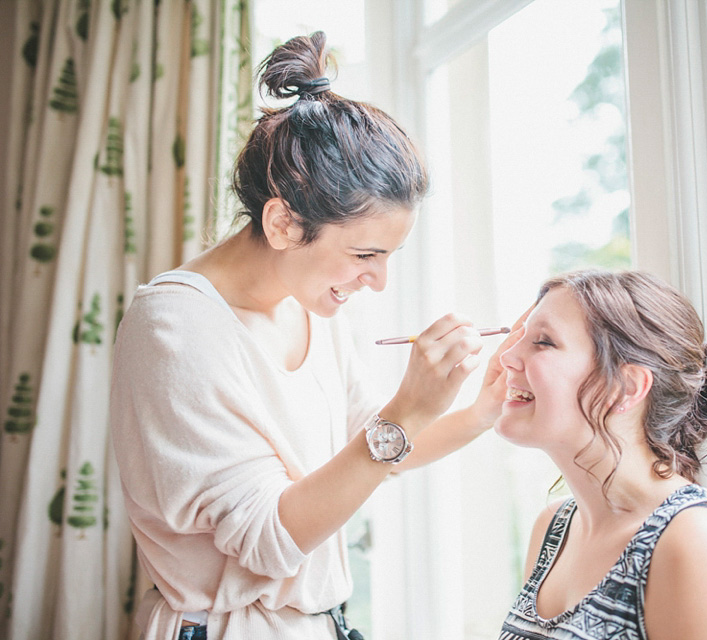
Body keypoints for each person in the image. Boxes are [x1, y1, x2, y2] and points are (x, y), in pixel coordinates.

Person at [110, 32, 513, 640]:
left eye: (388, 257)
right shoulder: (175, 328)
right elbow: (270, 542)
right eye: (364, 255)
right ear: (282, 223)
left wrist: (481, 410)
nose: (376, 281)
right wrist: (406, 411)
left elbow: (370, 452)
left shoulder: (310, 306)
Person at [496, 269, 707, 640]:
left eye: (543, 342)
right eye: (520, 340)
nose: (506, 358)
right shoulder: (554, 528)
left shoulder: (699, 542)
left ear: (625, 387)